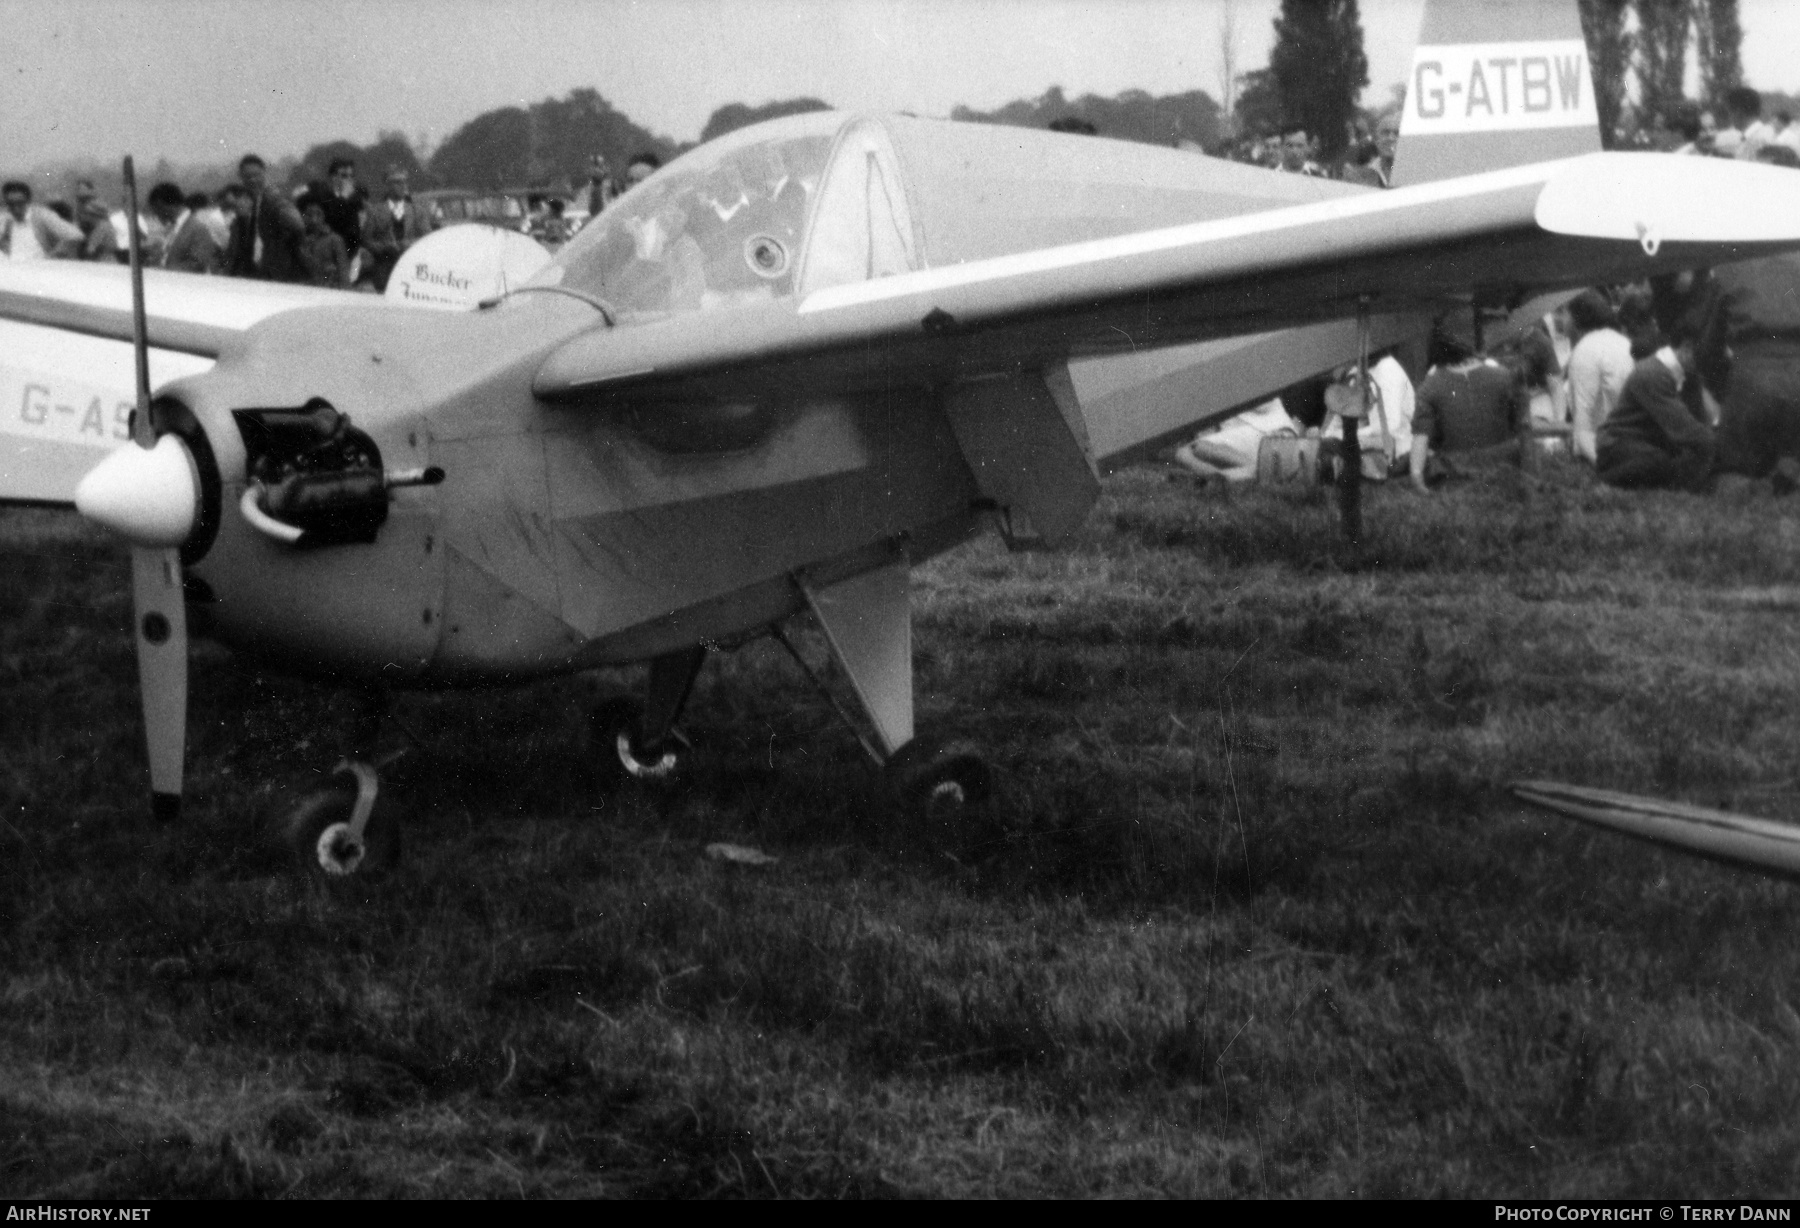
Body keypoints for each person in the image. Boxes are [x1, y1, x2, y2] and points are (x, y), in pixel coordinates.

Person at [1700, 253, 1800, 486]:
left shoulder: (1729, 267)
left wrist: (1725, 389)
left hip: (1750, 379)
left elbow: (1706, 351)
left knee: (1734, 478)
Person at [1408, 321, 1533, 492]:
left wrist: (1419, 482)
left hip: (1455, 482)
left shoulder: (1429, 387)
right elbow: (1524, 428)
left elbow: (1420, 444)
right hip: (1503, 477)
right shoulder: (1505, 377)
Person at [1595, 331, 1712, 491]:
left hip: (1649, 442)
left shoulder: (1687, 374)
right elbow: (1684, 428)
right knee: (1658, 462)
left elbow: (1697, 423)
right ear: (1687, 348)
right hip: (1618, 444)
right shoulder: (1652, 374)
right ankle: (1606, 483)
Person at [1563, 289, 1635, 463]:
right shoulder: (1623, 342)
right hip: (1630, 447)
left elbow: (1583, 424)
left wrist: (1604, 468)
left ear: (1575, 317)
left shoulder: (1585, 351)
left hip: (1601, 452)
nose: (1562, 321)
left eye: (1563, 313)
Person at [1321, 349, 1415, 478]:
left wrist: (1347, 435)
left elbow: (1390, 427)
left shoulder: (1387, 369)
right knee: (1319, 440)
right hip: (1367, 438)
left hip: (1395, 442)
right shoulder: (1354, 374)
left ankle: (1341, 467)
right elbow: (1333, 423)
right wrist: (1329, 436)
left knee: (1342, 445)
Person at [226, 154, 305, 280]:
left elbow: (297, 226)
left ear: (264, 173)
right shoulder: (246, 202)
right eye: (247, 177)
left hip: (275, 272)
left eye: (256, 175)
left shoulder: (274, 200)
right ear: (241, 178)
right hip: (251, 272)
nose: (252, 180)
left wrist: (284, 247)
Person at [358, 166, 435, 291]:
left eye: (404, 182)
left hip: (412, 268)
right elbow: (366, 240)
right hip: (384, 267)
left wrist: (408, 243)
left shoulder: (417, 211)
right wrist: (383, 247)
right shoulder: (375, 212)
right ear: (388, 186)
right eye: (397, 182)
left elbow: (428, 238)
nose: (403, 186)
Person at [147, 181, 222, 274]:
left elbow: (198, 264)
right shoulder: (172, 228)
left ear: (164, 206)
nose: (156, 215)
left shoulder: (199, 228)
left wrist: (165, 271)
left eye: (157, 209)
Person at [1, 181, 84, 260]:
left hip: (40, 269)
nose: (16, 209)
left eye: (20, 203)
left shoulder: (42, 216)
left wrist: (55, 255)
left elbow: (76, 235)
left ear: (28, 201)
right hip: (11, 270)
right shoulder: (4, 219)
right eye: (11, 204)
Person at [317, 158, 368, 269]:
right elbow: (334, 220)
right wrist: (344, 198)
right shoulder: (323, 197)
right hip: (330, 253)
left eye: (351, 176)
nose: (349, 179)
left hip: (353, 251)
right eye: (344, 176)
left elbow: (360, 226)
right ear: (333, 177)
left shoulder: (357, 199)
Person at [298, 200, 349, 287]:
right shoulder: (300, 240)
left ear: (324, 216)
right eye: (309, 214)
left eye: (318, 214)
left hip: (329, 288)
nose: (314, 220)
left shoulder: (334, 240)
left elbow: (343, 269)